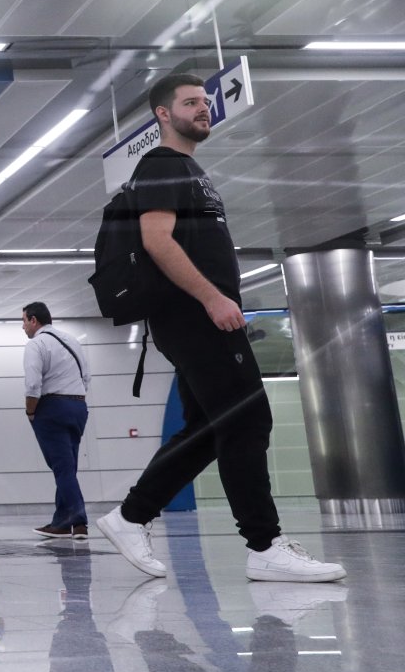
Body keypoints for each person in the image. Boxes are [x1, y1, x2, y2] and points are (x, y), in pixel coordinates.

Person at [96, 74, 345, 583]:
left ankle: (130, 516)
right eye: (190, 103)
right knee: (248, 422)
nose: (203, 108)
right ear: (163, 115)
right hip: (194, 317)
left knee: (209, 429)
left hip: (192, 318)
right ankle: (264, 545)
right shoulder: (162, 164)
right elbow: (158, 240)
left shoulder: (187, 168)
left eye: (205, 101)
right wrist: (212, 298)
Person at [21, 301, 91, 539]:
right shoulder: (72, 340)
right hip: (78, 406)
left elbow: (33, 384)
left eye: (23, 321)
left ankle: (79, 522)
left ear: (33, 320)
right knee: (68, 467)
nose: (23, 327)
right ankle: (61, 523)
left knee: (62, 468)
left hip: (52, 408)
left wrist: (31, 411)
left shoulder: (36, 344)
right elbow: (86, 377)